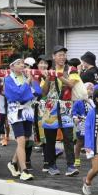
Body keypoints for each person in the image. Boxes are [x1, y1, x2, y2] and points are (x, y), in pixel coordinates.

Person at [41, 46, 80, 177]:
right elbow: (43, 92)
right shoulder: (49, 71)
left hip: (66, 106)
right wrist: (48, 77)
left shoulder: (71, 69)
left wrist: (58, 76)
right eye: (59, 55)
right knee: (50, 139)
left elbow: (71, 84)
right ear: (53, 56)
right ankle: (51, 165)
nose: (62, 57)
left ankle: (71, 166)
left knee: (68, 137)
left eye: (64, 55)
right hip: (50, 107)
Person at [4, 57, 40, 181]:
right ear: (12, 67)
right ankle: (24, 170)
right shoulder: (8, 79)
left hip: (27, 111)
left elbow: (38, 92)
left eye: (22, 64)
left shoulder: (26, 77)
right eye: (18, 63)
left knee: (24, 140)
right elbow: (17, 95)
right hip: (16, 112)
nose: (21, 66)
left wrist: (31, 80)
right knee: (21, 140)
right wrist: (27, 85)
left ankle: (13, 163)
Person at [72, 82, 95, 168]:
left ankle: (93, 158)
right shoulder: (78, 101)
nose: (90, 91)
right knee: (80, 141)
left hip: (91, 123)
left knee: (92, 141)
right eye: (88, 89)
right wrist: (75, 118)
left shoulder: (92, 101)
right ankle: (77, 159)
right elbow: (74, 111)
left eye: (91, 89)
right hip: (82, 122)